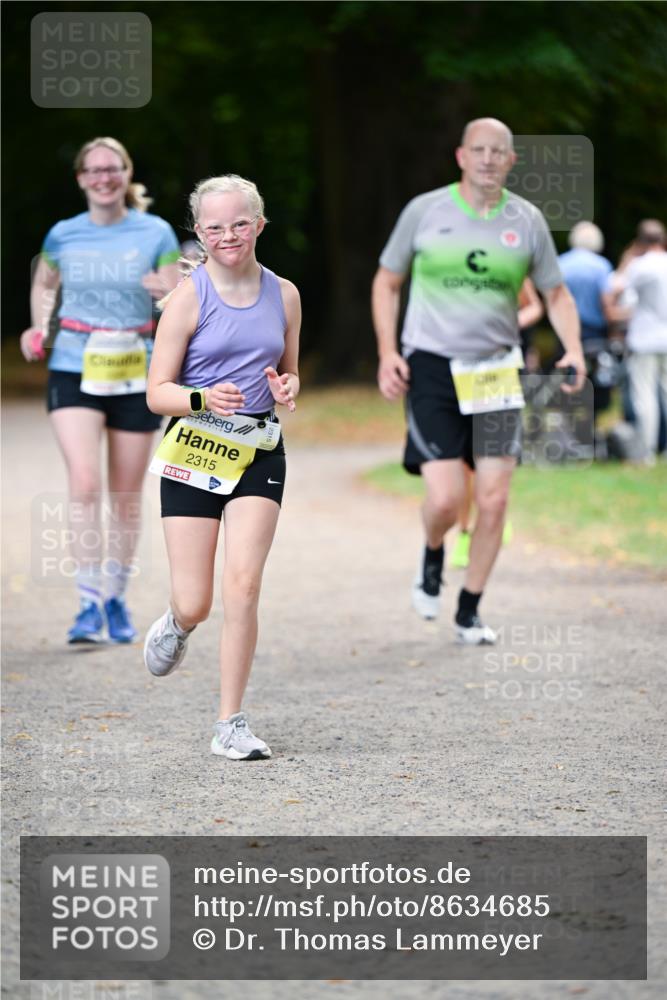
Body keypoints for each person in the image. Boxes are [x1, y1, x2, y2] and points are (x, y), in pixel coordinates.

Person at [372, 117, 585, 644]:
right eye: (479, 150)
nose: (489, 159)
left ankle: (469, 609)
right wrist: (386, 352)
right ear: (461, 156)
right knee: (445, 500)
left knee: (493, 499)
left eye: (500, 152)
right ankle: (433, 549)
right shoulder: (425, 211)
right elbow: (387, 280)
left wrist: (575, 348)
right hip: (433, 366)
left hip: (495, 371)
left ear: (512, 161)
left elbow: (554, 294)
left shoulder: (527, 220)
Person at [144, 175, 301, 761]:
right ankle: (177, 624)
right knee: (197, 601)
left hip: (259, 448)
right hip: (193, 448)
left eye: (239, 223)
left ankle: (230, 723)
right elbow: (156, 393)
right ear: (199, 233)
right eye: (214, 227)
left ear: (259, 224)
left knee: (245, 584)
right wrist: (203, 398)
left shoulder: (284, 294)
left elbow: (288, 372)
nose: (227, 235)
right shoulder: (190, 297)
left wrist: (288, 386)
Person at [20, 137, 180, 643]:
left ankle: (115, 596)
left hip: (137, 369)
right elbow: (44, 283)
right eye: (94, 170)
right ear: (81, 178)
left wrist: (165, 294)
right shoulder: (63, 234)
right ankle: (87, 604)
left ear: (125, 173)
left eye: (112, 169)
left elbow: (179, 299)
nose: (104, 177)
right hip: (75, 365)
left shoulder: (154, 232)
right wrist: (38, 326)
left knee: (126, 497)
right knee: (86, 484)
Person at [449, 277, 543, 569]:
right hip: (456, 365)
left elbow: (533, 307)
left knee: (493, 451)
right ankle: (465, 531)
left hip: (497, 368)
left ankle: (493, 514)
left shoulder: (509, 260)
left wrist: (506, 323)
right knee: (463, 460)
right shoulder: (445, 262)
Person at [607, 220, 667, 463]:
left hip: (645, 338)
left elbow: (616, 288)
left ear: (640, 240)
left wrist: (627, 259)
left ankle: (647, 450)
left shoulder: (641, 266)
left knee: (645, 395)